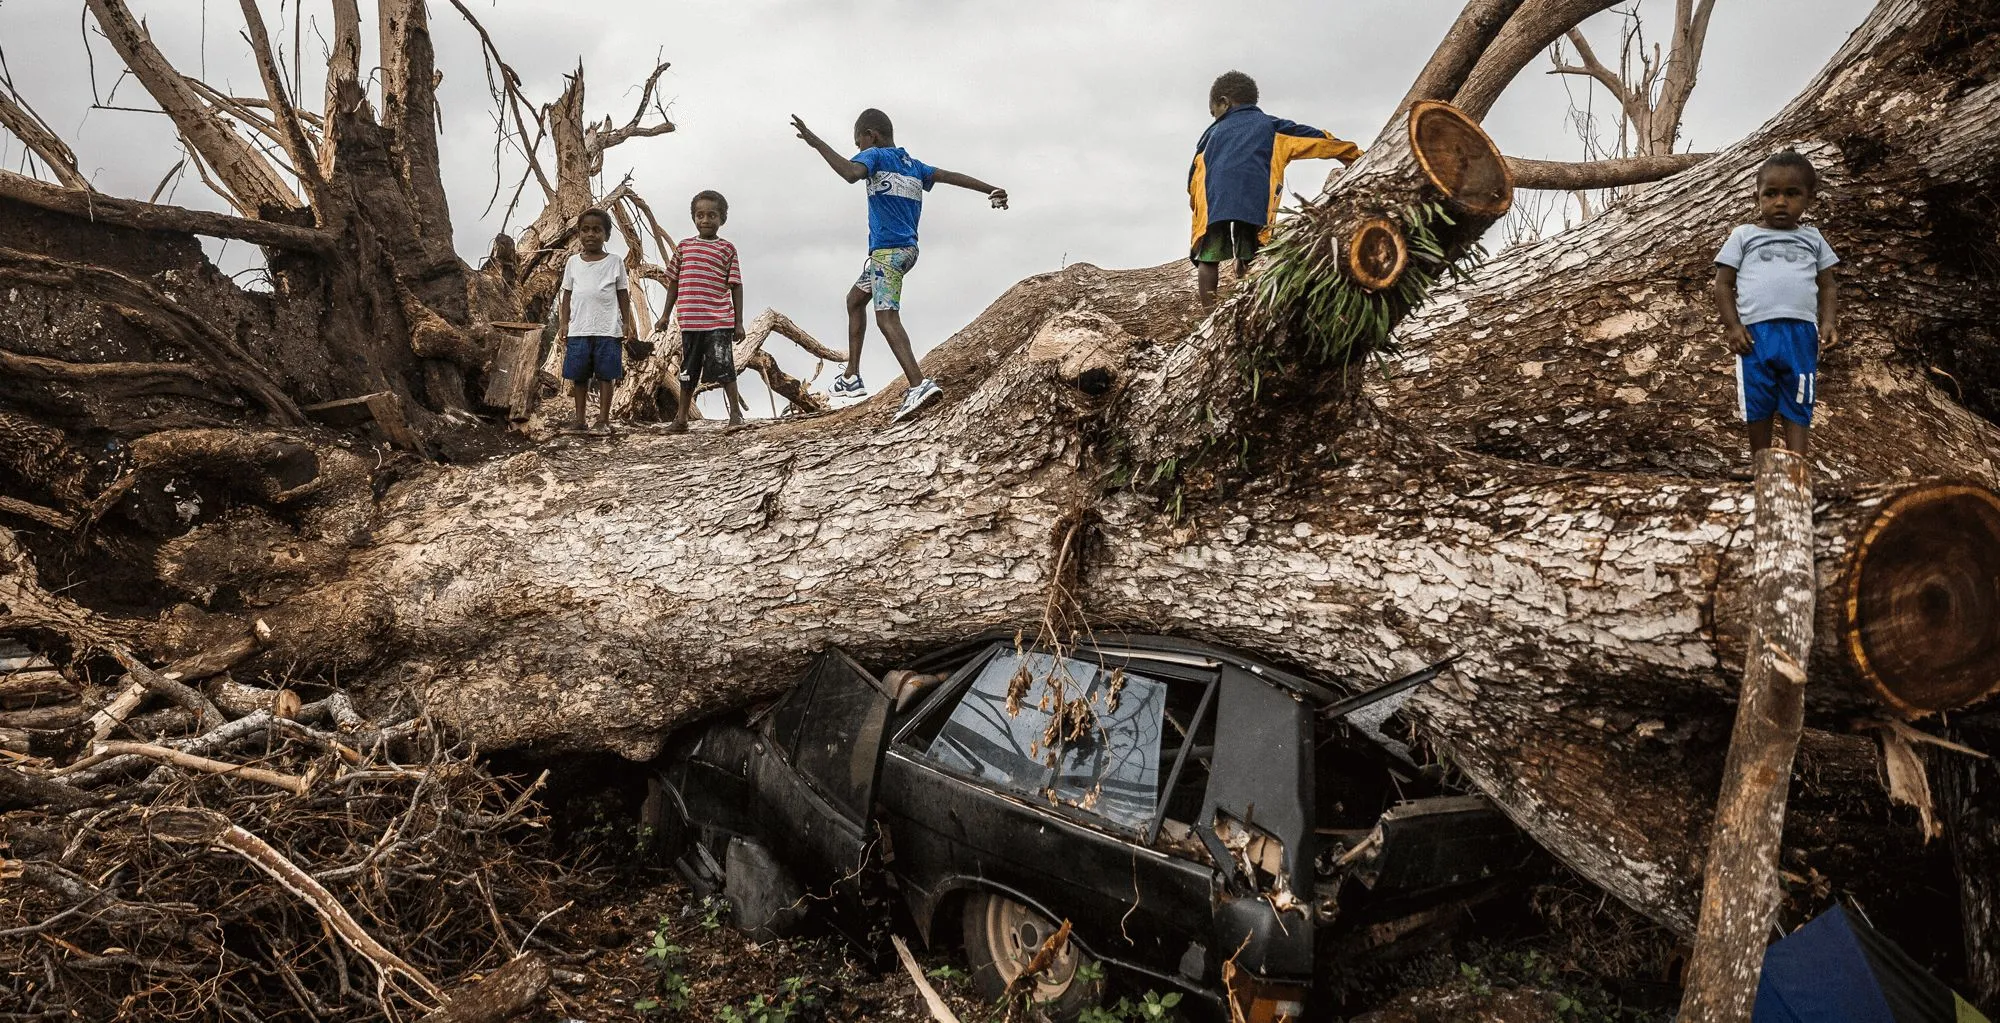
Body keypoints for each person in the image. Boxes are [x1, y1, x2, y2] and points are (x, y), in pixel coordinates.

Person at [791, 108, 1009, 422]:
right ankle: (851, 375)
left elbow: (851, 174)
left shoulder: (875, 156)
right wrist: (990, 188)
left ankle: (919, 384)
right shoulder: (912, 165)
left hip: (888, 254)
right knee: (855, 300)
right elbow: (950, 176)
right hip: (905, 251)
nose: (858, 152)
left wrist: (816, 143)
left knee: (886, 318)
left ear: (871, 136)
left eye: (858, 144)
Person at [1189, 71, 1362, 305]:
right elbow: (1318, 139)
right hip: (1253, 199)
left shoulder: (1209, 135)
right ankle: (1246, 284)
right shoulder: (1271, 126)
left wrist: (1196, 206)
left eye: (1214, 112)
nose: (1214, 117)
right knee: (1252, 248)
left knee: (1208, 259)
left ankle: (1208, 315)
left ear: (1223, 102)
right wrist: (1354, 155)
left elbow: (1194, 174)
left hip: (1214, 201)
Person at [1713, 150, 1839, 458]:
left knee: (1799, 398)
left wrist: (1828, 322)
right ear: (1757, 196)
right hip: (1756, 336)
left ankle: (1798, 463)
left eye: (1792, 194)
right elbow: (1723, 283)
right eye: (1771, 194)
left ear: (1810, 198)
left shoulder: (1813, 238)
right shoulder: (1744, 236)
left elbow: (1828, 284)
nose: (1780, 202)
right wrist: (1733, 327)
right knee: (1759, 399)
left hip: (1801, 334)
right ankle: (1761, 462)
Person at [660, 190, 747, 433]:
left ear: (723, 219)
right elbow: (673, 282)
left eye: (712, 215)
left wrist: (738, 322)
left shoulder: (727, 249)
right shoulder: (684, 247)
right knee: (688, 371)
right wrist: (665, 315)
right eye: (700, 215)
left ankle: (736, 415)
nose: (705, 220)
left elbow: (736, 286)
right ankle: (681, 419)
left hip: (718, 321)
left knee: (725, 367)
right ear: (693, 218)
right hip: (690, 322)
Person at [554, 208, 636, 435]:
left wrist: (626, 324)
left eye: (597, 230)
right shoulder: (573, 263)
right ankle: (579, 420)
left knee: (605, 375)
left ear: (607, 235)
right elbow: (567, 294)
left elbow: (623, 295)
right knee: (579, 376)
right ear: (579, 234)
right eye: (585, 230)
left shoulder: (615, 262)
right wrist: (563, 323)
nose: (591, 234)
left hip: (608, 329)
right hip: (579, 328)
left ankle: (603, 420)